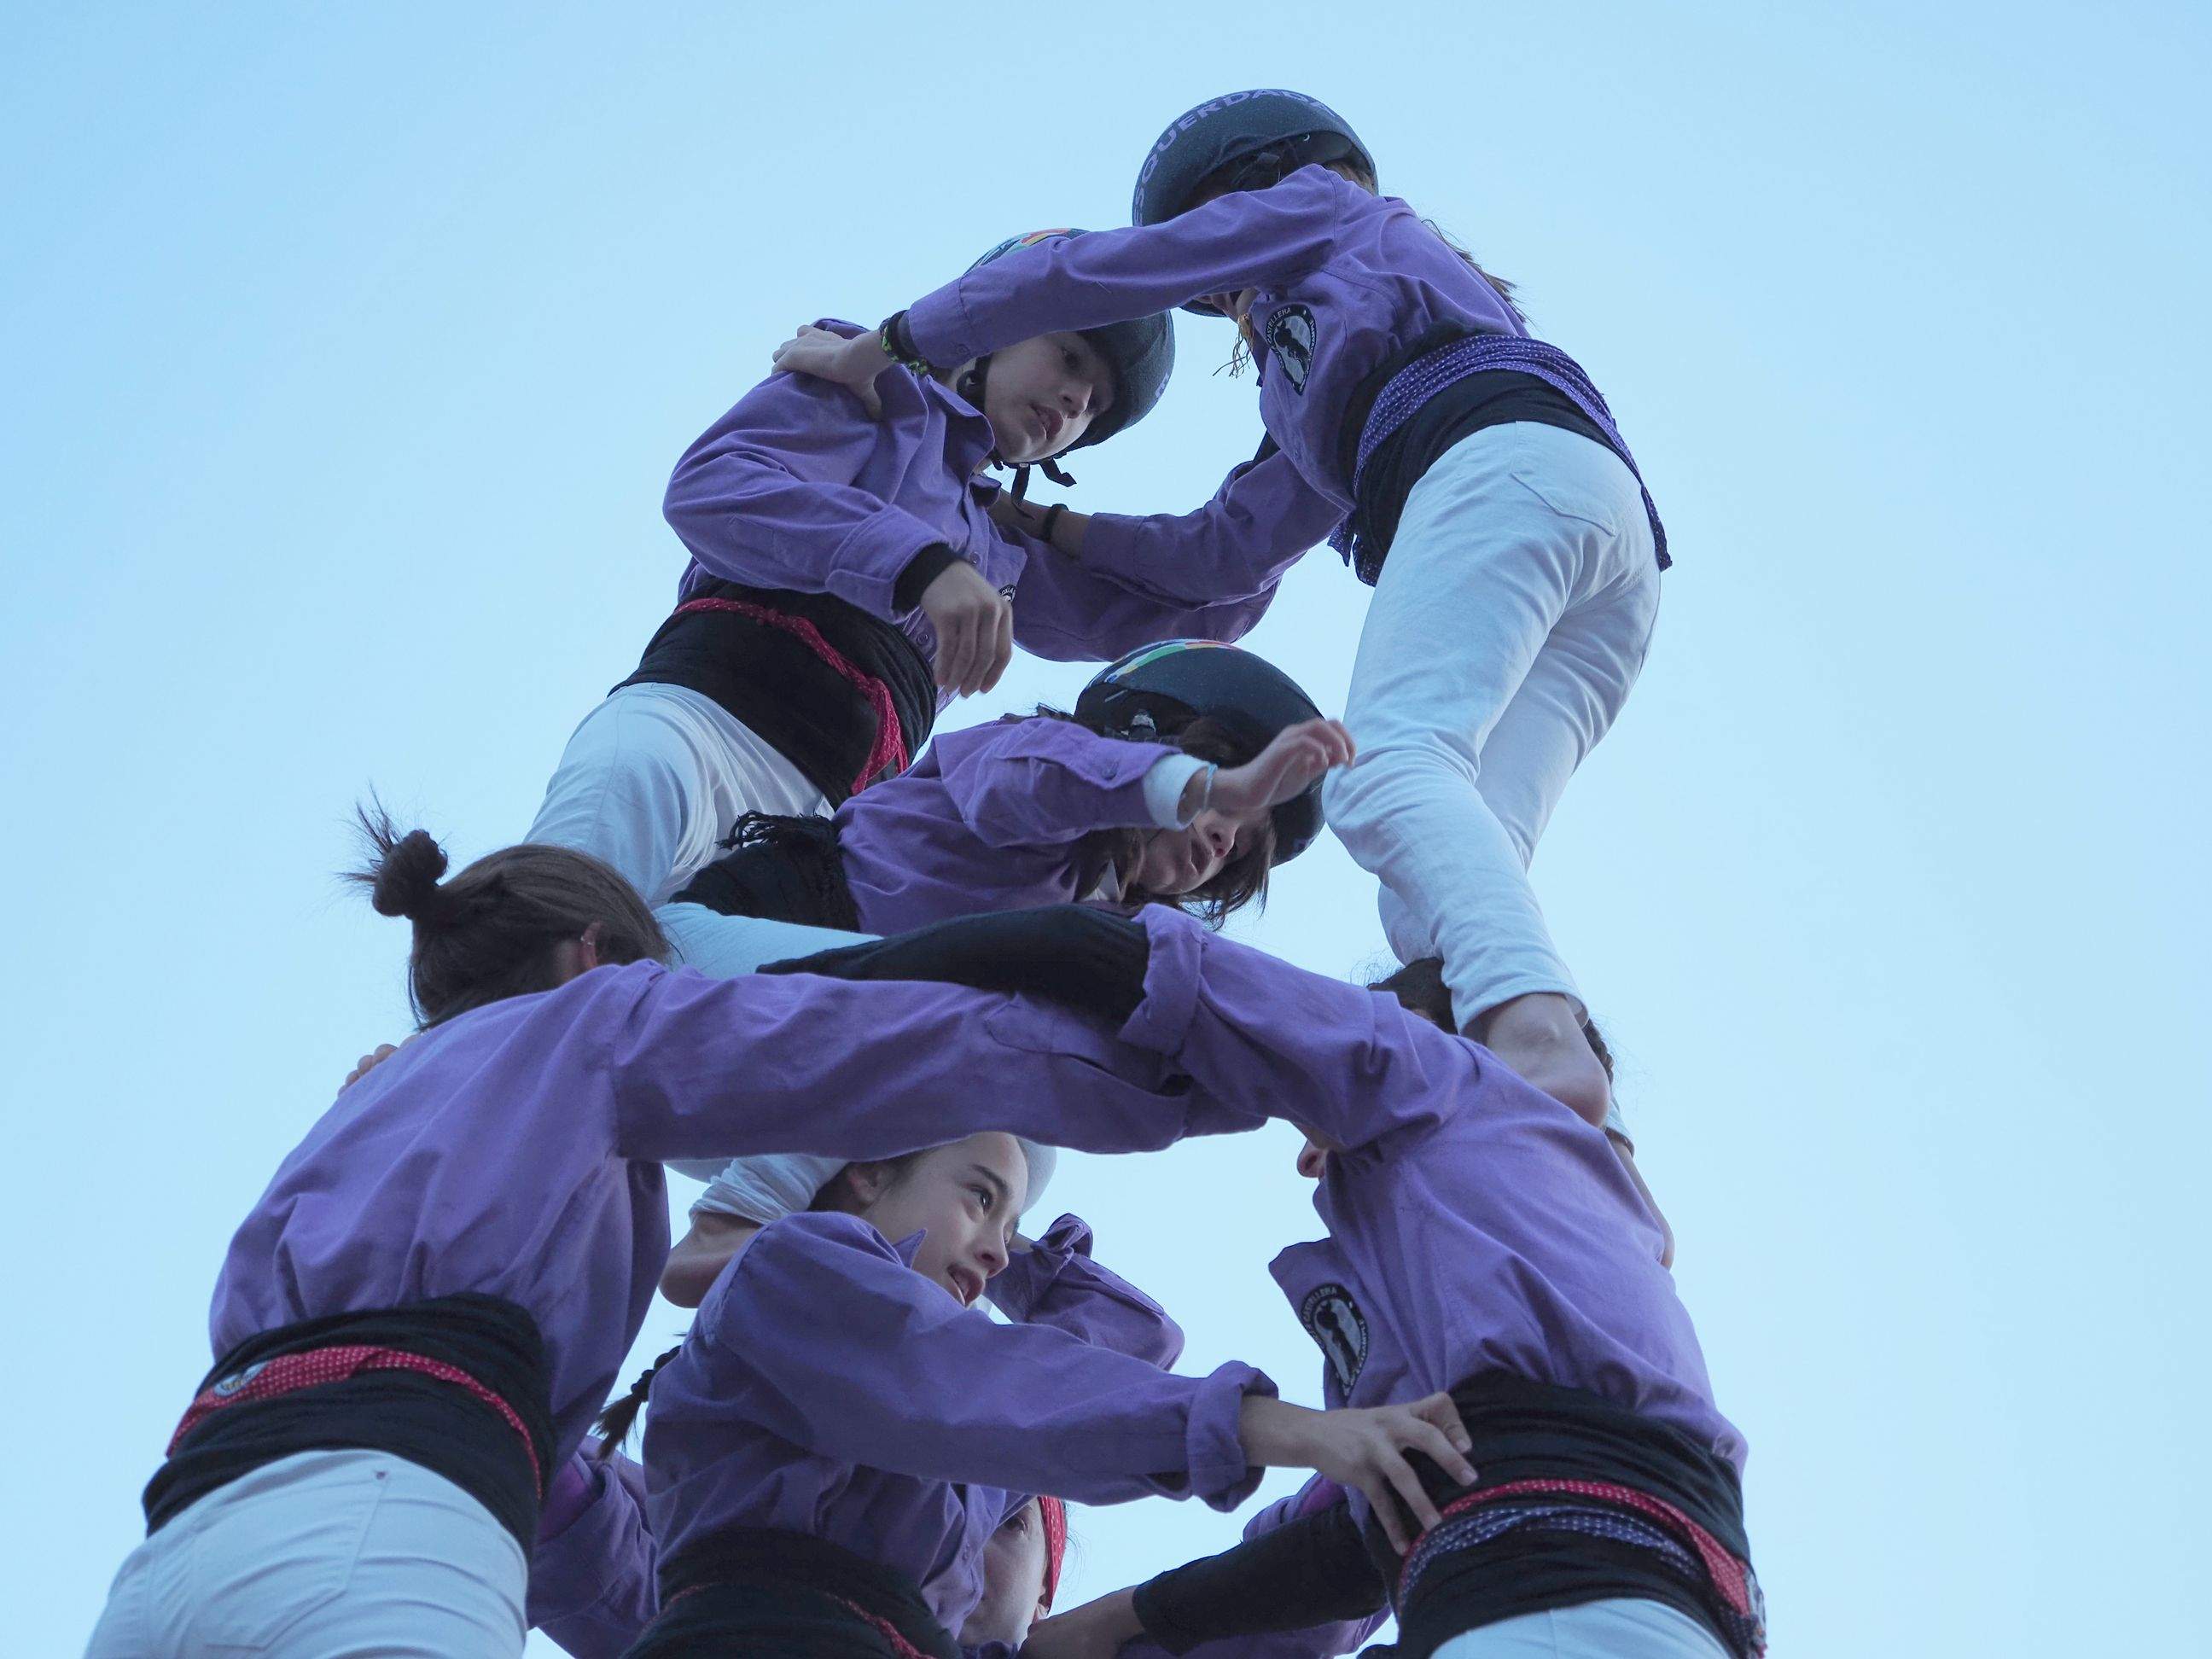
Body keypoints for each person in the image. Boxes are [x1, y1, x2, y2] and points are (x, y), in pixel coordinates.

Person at [78, 823, 1399, 1657]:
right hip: (395, 1538)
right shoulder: (605, 1031)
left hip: (180, 1552)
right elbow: (885, 1045)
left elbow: (595, 1544)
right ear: (606, 957)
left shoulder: (352, 1122)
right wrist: (1235, 1063)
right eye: (978, 1192)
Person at [773, 92, 1668, 1147]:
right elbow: (1220, 558)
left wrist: (885, 347)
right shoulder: (1327, 375)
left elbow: (1090, 272)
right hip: (1605, 540)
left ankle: (1533, 1033)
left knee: (1387, 770)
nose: (1229, 302)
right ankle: (1540, 1132)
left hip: (1498, 464)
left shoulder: (1325, 211)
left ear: (1248, 187)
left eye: (1220, 278)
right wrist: (1044, 526)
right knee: (1446, 859)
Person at [796, 919, 1757, 1659]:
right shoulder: (1533, 1234)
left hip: (1554, 1599)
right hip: (1634, 1603)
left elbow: (1142, 970)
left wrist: (832, 994)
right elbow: (1351, 1536)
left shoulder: (1432, 1084)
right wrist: (1116, 1627)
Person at [527, 227, 1285, 908]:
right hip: (697, 727)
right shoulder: (867, 387)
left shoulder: (1009, 553)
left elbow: (1213, 596)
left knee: (663, 1047)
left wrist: (1299, 378)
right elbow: (714, 489)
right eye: (1070, 356)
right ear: (993, 328)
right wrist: (920, 564)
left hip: (809, 835)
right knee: (543, 951)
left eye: (1094, 406)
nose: (1075, 398)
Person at [608, 1132, 1475, 1657]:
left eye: (1009, 1225)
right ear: (867, 1168)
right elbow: (1006, 1385)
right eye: (979, 1197)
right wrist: (1300, 1431)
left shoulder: (947, 1472)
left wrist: (1386, 1484)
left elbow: (1126, 1338)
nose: (994, 1253)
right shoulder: (786, 1275)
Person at [671, 639, 1353, 934]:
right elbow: (1030, 787)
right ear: (1145, 733)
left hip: (865, 1010)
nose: (1222, 837)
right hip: (792, 911)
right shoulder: (1042, 755)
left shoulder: (1113, 924)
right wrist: (1206, 784)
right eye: (1229, 805)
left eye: (1237, 851)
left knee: (1012, 1154)